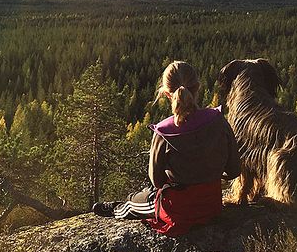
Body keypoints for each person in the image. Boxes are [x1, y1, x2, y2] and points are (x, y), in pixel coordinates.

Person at [92, 60, 241, 236]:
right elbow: (233, 170)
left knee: (135, 201)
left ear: (167, 94)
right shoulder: (218, 120)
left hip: (177, 210)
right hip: (211, 205)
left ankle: (117, 208)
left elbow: (157, 181)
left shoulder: (164, 131)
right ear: (197, 87)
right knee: (148, 194)